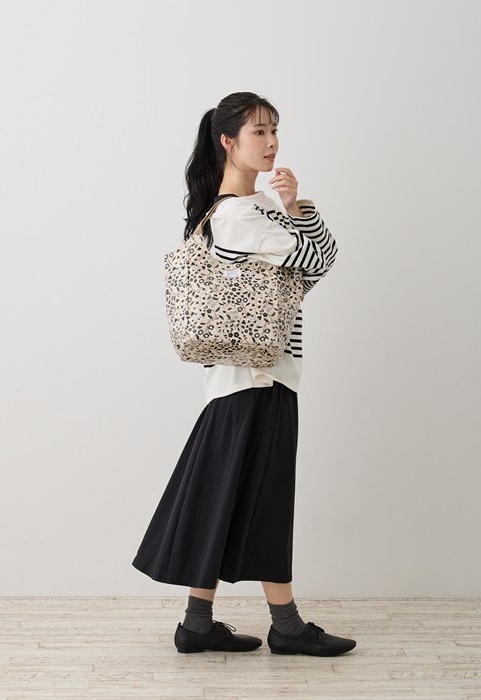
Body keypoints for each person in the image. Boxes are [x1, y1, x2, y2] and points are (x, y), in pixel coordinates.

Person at [131, 92, 355, 657]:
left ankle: (197, 623)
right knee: (265, 504)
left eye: (275, 130)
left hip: (245, 382)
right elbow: (319, 260)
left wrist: (292, 205)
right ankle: (287, 626)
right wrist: (298, 209)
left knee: (223, 502)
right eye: (258, 131)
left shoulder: (250, 209)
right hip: (260, 379)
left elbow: (310, 266)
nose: (272, 142)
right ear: (227, 142)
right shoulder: (237, 215)